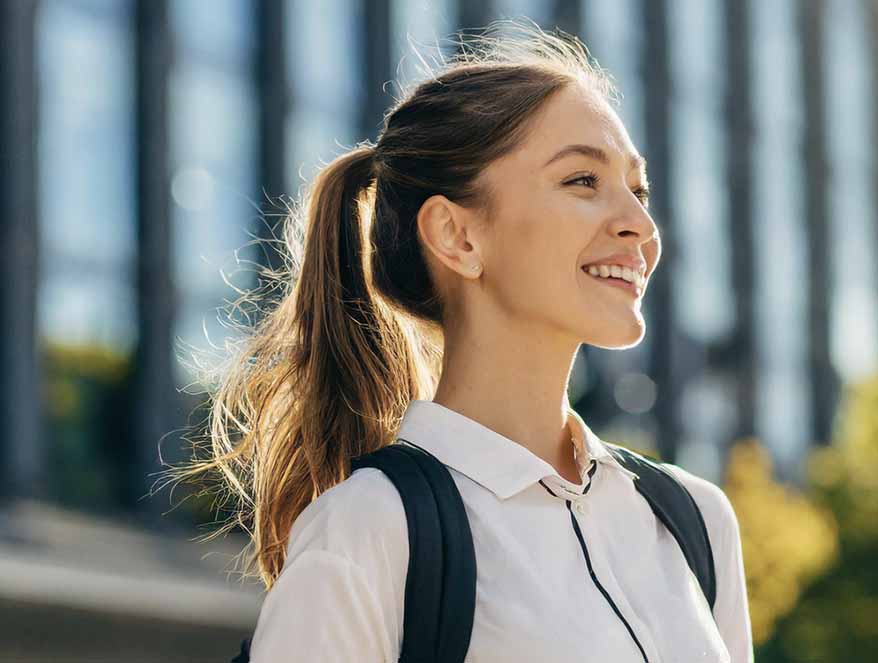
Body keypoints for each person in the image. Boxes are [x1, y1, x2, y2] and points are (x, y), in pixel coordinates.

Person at [169, 22, 752, 663]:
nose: (640, 225)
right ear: (458, 236)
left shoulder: (693, 520)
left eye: (638, 190)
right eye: (583, 181)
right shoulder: (369, 530)